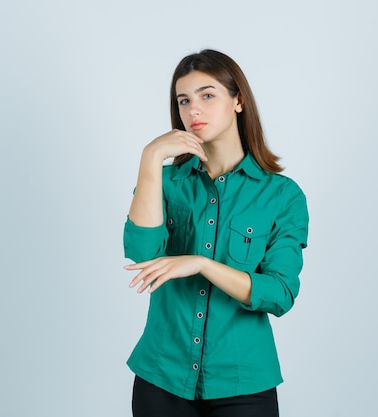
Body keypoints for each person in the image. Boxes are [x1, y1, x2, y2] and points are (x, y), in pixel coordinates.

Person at [123, 49, 309, 417]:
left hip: (243, 384)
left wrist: (202, 264)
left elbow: (280, 293)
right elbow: (141, 252)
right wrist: (150, 157)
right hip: (161, 377)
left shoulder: (282, 195)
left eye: (208, 95)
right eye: (184, 100)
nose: (194, 109)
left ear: (238, 100)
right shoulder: (165, 182)